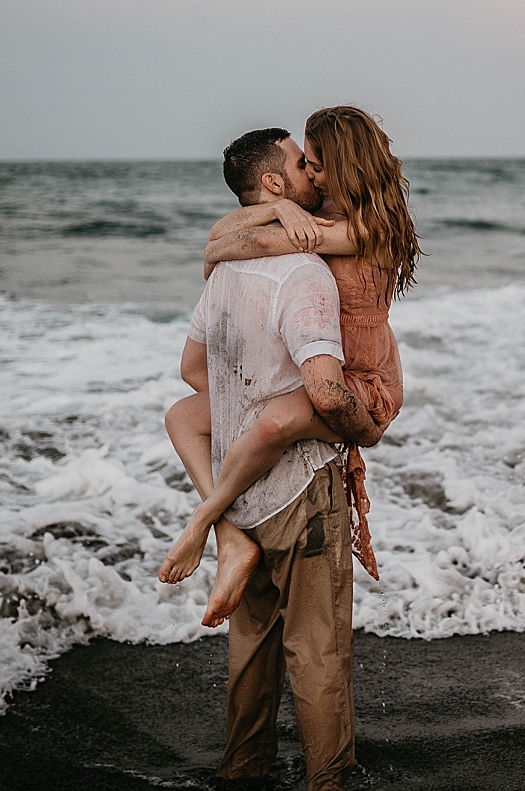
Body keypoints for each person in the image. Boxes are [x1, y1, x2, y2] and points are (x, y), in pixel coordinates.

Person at [157, 126, 383, 790]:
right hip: (302, 483)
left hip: (241, 486)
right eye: (300, 164)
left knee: (251, 647)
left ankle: (243, 770)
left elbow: (193, 369)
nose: (314, 172)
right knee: (317, 655)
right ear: (277, 183)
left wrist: (251, 411)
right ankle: (326, 782)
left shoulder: (227, 269)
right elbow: (322, 386)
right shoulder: (305, 270)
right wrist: (356, 429)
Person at [161, 107, 419, 607]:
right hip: (320, 375)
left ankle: (203, 522)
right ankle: (231, 540)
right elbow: (226, 227)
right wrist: (279, 208)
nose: (313, 175)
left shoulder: (374, 229)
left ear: (345, 165)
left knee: (272, 422)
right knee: (182, 417)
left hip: (363, 384)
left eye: (317, 163)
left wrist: (219, 252)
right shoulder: (321, 206)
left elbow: (235, 242)